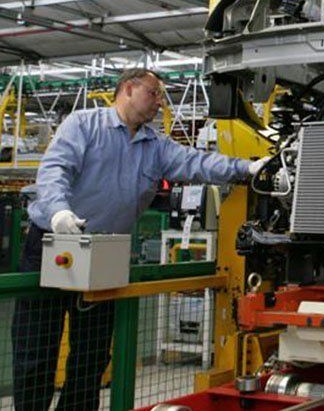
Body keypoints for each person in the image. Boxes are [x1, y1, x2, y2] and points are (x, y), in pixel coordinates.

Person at [12, 69, 269, 411]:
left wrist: (247, 168)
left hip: (105, 251)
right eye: (154, 93)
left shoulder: (155, 146)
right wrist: (59, 211)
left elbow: (197, 162)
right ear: (129, 89)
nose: (160, 102)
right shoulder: (83, 125)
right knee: (36, 349)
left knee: (92, 354)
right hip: (52, 243)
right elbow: (55, 170)